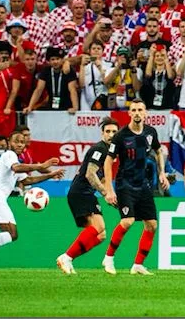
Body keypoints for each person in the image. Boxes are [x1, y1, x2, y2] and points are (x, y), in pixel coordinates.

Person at [0, 129, 63, 271]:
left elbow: (28, 179)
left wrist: (50, 175)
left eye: (22, 142)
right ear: (9, 143)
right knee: (12, 234)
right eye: (16, 141)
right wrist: (41, 166)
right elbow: (17, 167)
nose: (20, 145)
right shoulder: (9, 155)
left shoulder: (16, 161)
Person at [101, 100, 169, 276]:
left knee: (152, 225)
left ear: (145, 113)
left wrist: (162, 173)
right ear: (129, 113)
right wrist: (109, 189)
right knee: (128, 221)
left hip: (143, 185)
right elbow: (109, 161)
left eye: (140, 109)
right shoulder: (121, 136)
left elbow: (158, 151)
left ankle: (138, 265)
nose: (137, 113)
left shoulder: (150, 132)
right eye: (134, 110)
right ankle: (108, 258)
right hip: (125, 183)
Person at [56, 118, 117, 275]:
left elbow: (102, 178)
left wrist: (110, 193)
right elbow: (90, 174)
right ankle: (66, 257)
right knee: (99, 227)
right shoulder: (100, 149)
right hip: (81, 191)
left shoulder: (111, 153)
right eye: (108, 131)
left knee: (101, 235)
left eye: (114, 132)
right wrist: (105, 193)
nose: (111, 134)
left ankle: (68, 259)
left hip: (86, 192)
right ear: (102, 133)